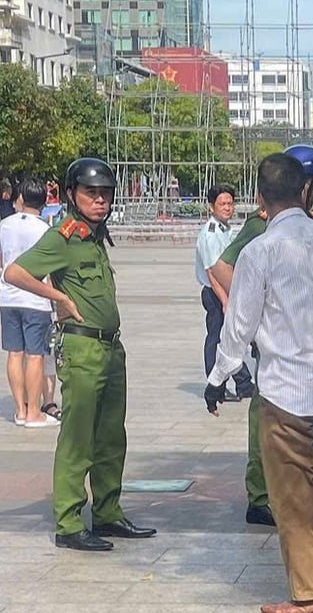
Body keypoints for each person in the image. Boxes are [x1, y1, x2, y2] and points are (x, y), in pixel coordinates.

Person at [205, 153, 313, 613]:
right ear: (305, 192)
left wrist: (218, 377)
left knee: (291, 497)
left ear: (260, 200)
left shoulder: (258, 252)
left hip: (286, 396)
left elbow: (239, 326)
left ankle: (311, 596)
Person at [4, 158, 156, 551]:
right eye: (92, 193)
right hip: (82, 347)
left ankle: (107, 512)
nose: (100, 200)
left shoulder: (92, 236)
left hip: (110, 347)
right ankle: (69, 521)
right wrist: (59, 298)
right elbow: (15, 273)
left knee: (110, 436)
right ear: (72, 194)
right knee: (78, 437)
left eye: (105, 193)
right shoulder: (64, 237)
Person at [208, 144, 313, 528]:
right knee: (266, 418)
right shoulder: (262, 224)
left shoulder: (309, 227)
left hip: (308, 348)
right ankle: (260, 496)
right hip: (277, 347)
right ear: (304, 185)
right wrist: (256, 307)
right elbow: (220, 267)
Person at [0, 179, 57, 428]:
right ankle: (34, 411)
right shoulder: (45, 230)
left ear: (21, 199)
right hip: (35, 298)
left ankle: (20, 409)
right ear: (44, 202)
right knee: (35, 356)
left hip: (8, 296)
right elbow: (52, 270)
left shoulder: (4, 225)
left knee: (14, 353)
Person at [195, 183, 253, 401]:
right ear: (211, 207)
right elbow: (212, 271)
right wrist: (225, 300)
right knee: (217, 339)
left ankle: (243, 383)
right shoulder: (210, 234)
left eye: (230, 203)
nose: (227, 208)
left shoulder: (226, 229)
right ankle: (217, 385)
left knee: (230, 338)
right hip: (215, 292)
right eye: (222, 204)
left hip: (227, 291)